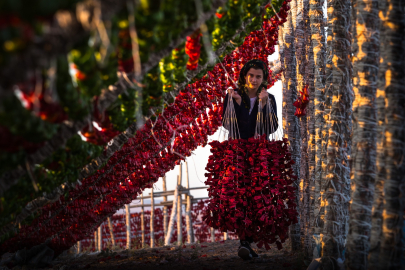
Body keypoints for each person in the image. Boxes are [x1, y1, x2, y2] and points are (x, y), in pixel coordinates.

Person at [221, 59, 278, 260]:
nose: (254, 80)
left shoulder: (268, 98)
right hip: (238, 154)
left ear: (264, 79)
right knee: (241, 195)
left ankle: (247, 242)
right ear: (244, 76)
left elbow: (271, 127)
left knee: (258, 197)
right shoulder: (232, 96)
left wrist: (263, 104)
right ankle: (245, 242)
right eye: (251, 75)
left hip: (259, 155)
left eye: (258, 77)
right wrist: (236, 103)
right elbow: (229, 125)